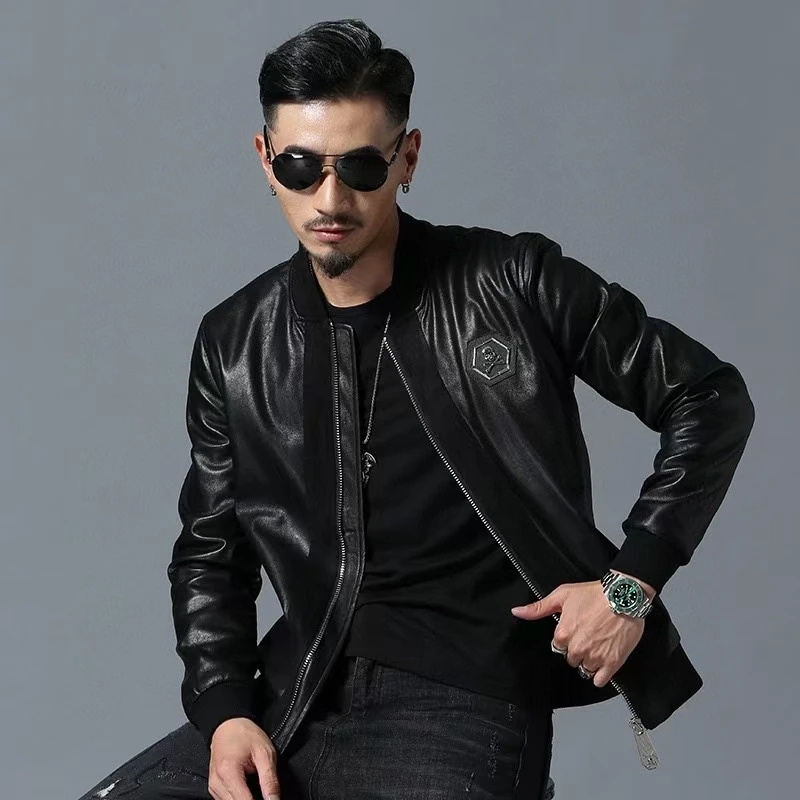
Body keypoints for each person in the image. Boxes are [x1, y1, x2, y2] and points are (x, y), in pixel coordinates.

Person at [76, 17, 755, 800]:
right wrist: (226, 711)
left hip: (465, 704)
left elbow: (708, 396)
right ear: (265, 159)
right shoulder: (236, 342)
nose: (331, 199)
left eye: (362, 166)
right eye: (301, 166)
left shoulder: (514, 282)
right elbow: (209, 554)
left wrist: (629, 586)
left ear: (408, 158)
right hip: (296, 688)